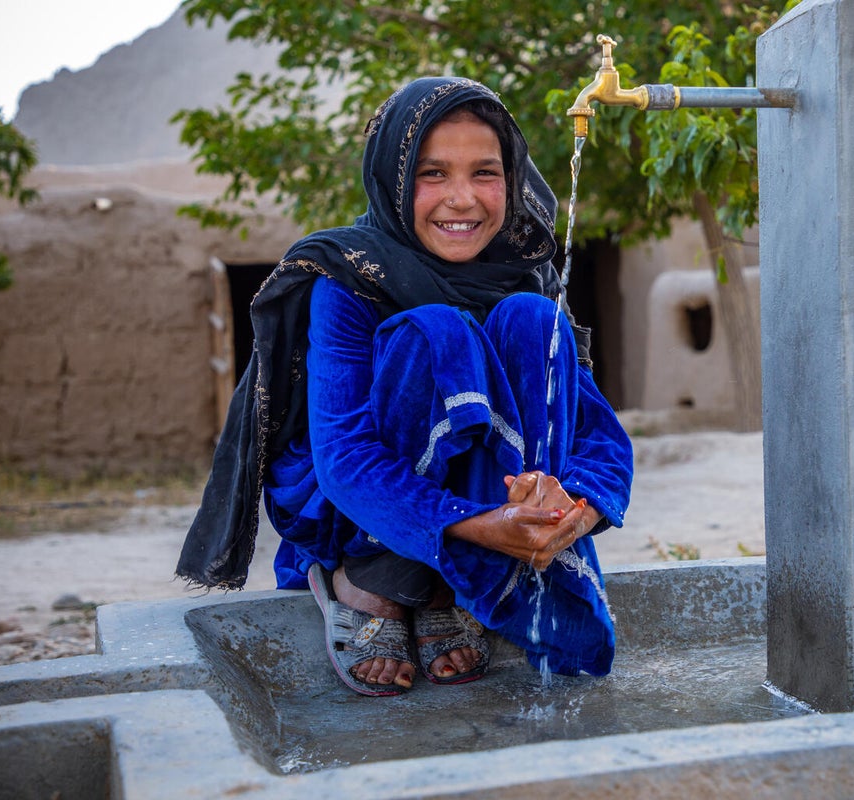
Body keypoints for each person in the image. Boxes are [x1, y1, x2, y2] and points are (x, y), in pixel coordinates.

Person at [177, 77, 634, 696]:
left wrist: (565, 513)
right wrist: (481, 524)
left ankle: (460, 580)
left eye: (485, 173)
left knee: (532, 320)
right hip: (351, 504)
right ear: (392, 179)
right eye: (432, 174)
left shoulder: (529, 276)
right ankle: (372, 582)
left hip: (494, 509)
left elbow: (600, 438)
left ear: (513, 178)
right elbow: (346, 459)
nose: (462, 199)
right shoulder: (348, 278)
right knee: (434, 332)